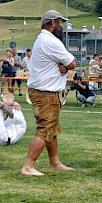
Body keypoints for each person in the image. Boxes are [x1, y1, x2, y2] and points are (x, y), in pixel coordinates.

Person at [21, 10, 76, 176]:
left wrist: (62, 66)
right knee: (45, 129)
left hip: (42, 91)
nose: (62, 27)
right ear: (53, 23)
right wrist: (66, 66)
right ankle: (28, 167)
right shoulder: (51, 41)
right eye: (60, 23)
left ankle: (54, 162)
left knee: (51, 129)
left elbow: (62, 64)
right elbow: (72, 63)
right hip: (45, 93)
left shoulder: (41, 39)